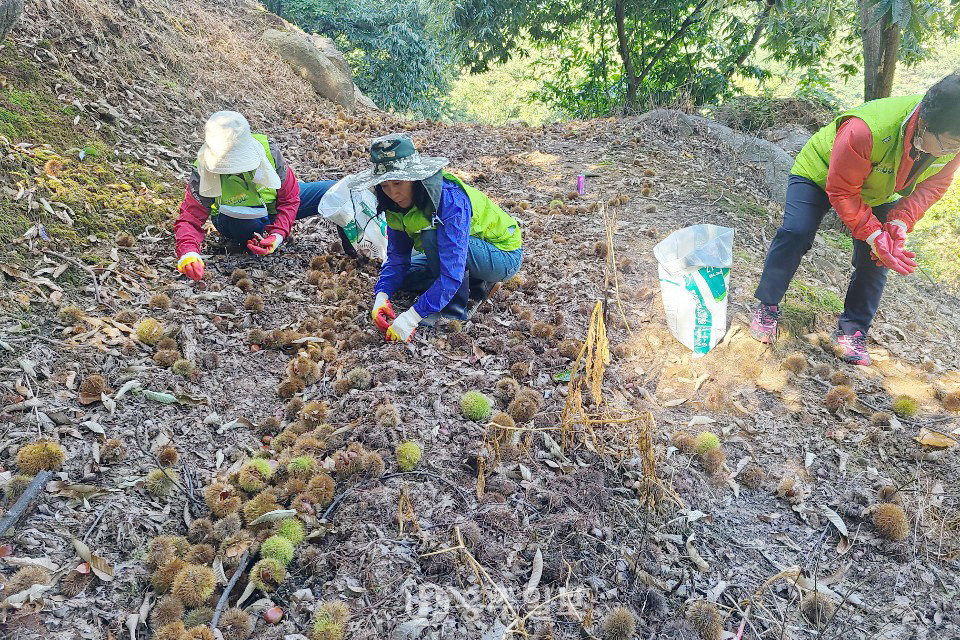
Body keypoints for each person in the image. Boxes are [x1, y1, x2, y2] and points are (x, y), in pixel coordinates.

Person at [750, 72, 960, 365]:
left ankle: (852, 331)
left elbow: (934, 185)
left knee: (877, 258)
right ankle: (767, 305)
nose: (953, 153)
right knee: (796, 232)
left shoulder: (952, 141)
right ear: (925, 124)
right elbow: (842, 191)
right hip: (820, 174)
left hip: (878, 192)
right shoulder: (866, 129)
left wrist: (899, 222)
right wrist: (872, 233)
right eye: (950, 145)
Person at [349, 133, 523, 343]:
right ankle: (468, 282)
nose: (393, 193)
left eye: (397, 183)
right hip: (458, 249)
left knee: (432, 236)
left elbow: (450, 271)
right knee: (405, 277)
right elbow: (397, 258)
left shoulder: (449, 198)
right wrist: (382, 296)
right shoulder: (392, 204)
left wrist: (413, 316)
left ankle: (453, 310)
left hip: (502, 255)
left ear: (414, 178)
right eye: (385, 186)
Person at [173, 111, 340, 280]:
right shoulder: (203, 168)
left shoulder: (269, 151)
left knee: (334, 191)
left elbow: (290, 198)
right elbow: (190, 217)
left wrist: (278, 234)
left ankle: (352, 248)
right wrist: (189, 253)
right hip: (235, 217)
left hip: (272, 205)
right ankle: (255, 237)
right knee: (246, 224)